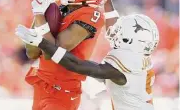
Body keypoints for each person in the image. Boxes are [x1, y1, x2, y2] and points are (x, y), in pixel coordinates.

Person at [16, 12, 159, 110]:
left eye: (120, 32)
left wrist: (41, 42)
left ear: (131, 40)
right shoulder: (138, 59)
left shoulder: (126, 63)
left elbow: (76, 65)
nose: (115, 33)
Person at [24, 0, 111, 110]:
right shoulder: (60, 5)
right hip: (42, 83)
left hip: (62, 89)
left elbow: (53, 51)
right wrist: (37, 14)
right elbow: (31, 52)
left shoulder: (91, 15)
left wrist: (40, 16)